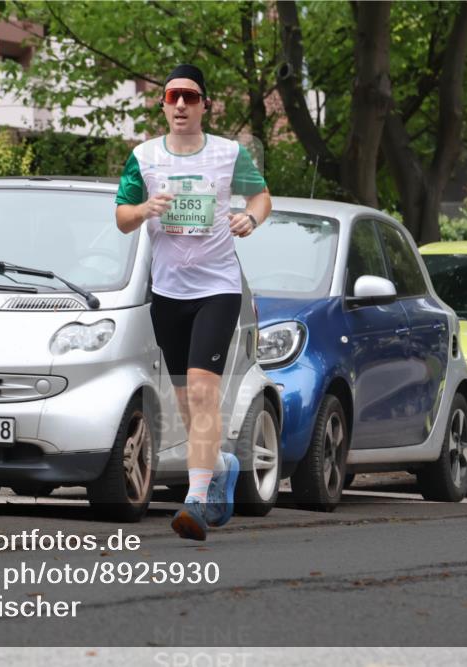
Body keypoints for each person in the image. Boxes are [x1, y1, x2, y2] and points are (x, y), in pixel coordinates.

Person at [115, 64, 272, 540]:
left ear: (204, 105)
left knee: (203, 392)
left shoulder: (228, 154)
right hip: (168, 294)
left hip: (217, 289)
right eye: (172, 97)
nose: (180, 104)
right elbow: (122, 218)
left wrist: (250, 217)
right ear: (163, 105)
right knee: (187, 400)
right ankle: (219, 462)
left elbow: (262, 197)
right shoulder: (143, 157)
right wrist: (144, 210)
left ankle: (196, 499)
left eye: (189, 96)